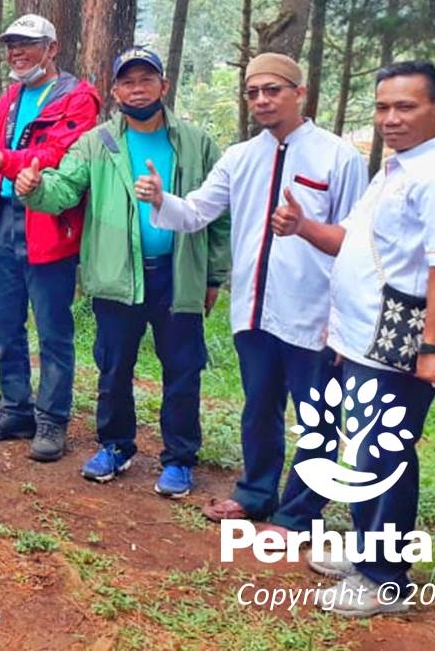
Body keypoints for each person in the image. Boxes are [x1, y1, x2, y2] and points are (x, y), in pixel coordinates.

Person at [272, 61, 435, 618]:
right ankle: (368, 554)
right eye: (383, 107)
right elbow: (358, 245)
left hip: (400, 343)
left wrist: (431, 345)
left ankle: (383, 579)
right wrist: (303, 228)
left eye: (406, 107)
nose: (391, 118)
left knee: (383, 453)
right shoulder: (397, 169)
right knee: (364, 449)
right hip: (364, 338)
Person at [135, 52, 367, 527]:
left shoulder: (337, 157)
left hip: (315, 315)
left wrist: (342, 318)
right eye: (253, 92)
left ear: (299, 93)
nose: (262, 100)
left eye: (273, 90)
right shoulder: (241, 157)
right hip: (255, 312)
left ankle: (300, 513)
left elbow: (357, 242)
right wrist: (162, 200)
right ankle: (257, 493)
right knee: (259, 408)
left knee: (317, 418)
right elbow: (198, 211)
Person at [18, 46, 229, 497]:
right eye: (128, 82)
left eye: (146, 79)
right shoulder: (97, 142)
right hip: (117, 275)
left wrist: (213, 275)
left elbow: (219, 215)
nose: (138, 89)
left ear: (163, 86)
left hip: (178, 274)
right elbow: (64, 189)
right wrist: (35, 188)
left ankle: (179, 458)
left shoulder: (196, 143)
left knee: (182, 369)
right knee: (113, 366)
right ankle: (115, 445)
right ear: (115, 91)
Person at [0, 13, 101, 461]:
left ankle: (52, 419)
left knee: (52, 326)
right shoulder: (9, 98)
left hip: (49, 221)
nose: (17, 52)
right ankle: (15, 407)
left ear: (52, 47)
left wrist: (2, 160)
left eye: (27, 44)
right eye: (11, 45)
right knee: (5, 322)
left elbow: (57, 154)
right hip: (3, 218)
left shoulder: (78, 99)